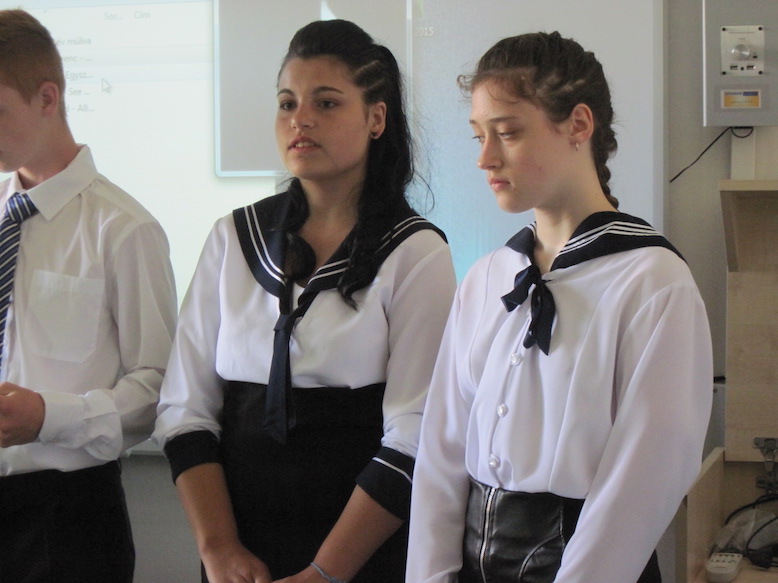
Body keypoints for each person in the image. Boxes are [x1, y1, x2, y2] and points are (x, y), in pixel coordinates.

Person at [153, 19, 456, 583]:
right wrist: (220, 550)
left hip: (358, 557)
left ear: (376, 119)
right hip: (238, 556)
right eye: (287, 103)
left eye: (327, 103)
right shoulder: (231, 237)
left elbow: (416, 436)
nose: (300, 119)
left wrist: (323, 572)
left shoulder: (415, 252)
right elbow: (185, 409)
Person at [405, 31, 713, 583]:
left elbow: (647, 473)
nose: (485, 158)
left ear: (578, 125)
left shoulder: (652, 281)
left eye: (508, 133)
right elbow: (441, 449)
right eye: (479, 135)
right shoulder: (487, 278)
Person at [0, 9, 178, 583]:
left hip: (66, 517)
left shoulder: (125, 229)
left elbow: (158, 390)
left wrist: (48, 417)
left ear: (47, 98)